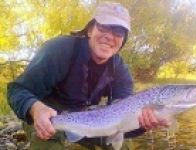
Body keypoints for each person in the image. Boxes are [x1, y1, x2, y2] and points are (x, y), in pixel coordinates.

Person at [7, 2, 168, 150]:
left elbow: (122, 124)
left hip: (90, 121)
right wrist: (35, 109)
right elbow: (16, 90)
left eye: (118, 32)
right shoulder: (59, 49)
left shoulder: (120, 71)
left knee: (123, 146)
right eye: (103, 27)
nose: (109, 36)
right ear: (90, 30)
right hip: (47, 119)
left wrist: (143, 125)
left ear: (122, 41)